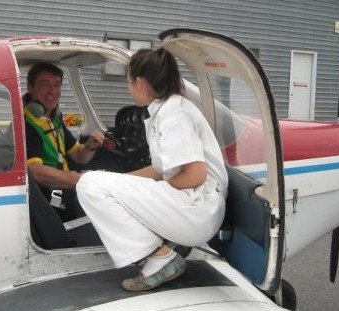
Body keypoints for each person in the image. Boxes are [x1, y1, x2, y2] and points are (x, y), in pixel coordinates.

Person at [76, 48, 228, 291]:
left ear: (139, 82)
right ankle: (161, 253)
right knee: (100, 183)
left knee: (87, 183)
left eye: (128, 82)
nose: (128, 88)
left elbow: (196, 174)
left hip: (199, 209)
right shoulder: (165, 110)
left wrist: (124, 189)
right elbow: (159, 170)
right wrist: (119, 185)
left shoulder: (174, 114)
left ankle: (161, 257)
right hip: (194, 205)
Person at [24, 62, 104, 221]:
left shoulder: (54, 119)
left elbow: (79, 156)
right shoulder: (26, 125)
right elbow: (34, 171)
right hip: (48, 197)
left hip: (63, 190)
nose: (52, 91)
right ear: (30, 87)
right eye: (44, 85)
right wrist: (78, 179)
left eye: (57, 85)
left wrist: (89, 146)